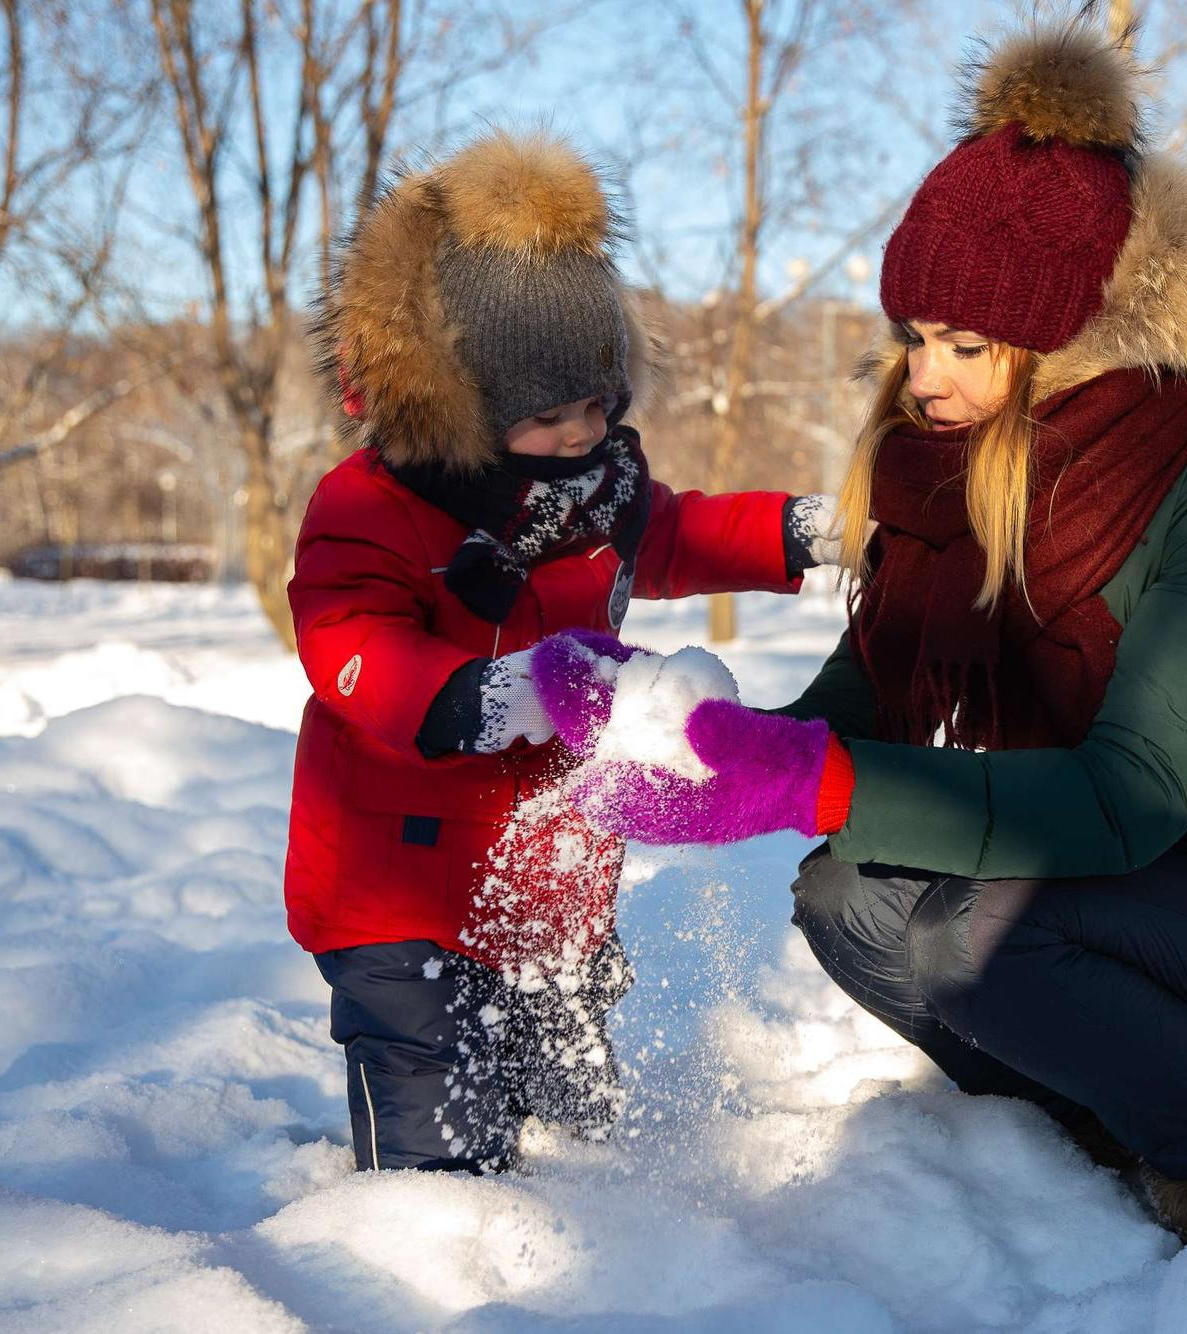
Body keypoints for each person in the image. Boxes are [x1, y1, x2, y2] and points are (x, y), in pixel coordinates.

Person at [548, 21, 1187, 1247]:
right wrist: (683, 732)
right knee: (845, 897)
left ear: (1064, 349)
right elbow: (847, 718)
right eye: (914, 337)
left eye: (964, 346)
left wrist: (813, 778)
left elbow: (1125, 796)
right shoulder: (947, 486)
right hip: (1143, 888)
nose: (922, 379)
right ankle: (1106, 1113)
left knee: (979, 930)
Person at [284, 130, 843, 1173]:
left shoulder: (600, 492)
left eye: (597, 403)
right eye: (548, 415)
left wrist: (807, 528)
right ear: (464, 407)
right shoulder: (373, 505)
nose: (583, 432)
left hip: (555, 876)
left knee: (577, 1126)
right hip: (398, 888)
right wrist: (500, 695)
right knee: (438, 1127)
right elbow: (347, 644)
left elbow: (682, 532)